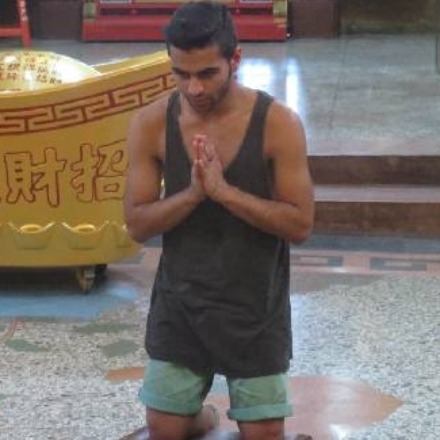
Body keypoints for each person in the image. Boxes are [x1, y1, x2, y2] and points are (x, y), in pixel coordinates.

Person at [123, 1, 314, 439]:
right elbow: (137, 224)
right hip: (181, 303)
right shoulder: (151, 124)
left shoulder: (278, 124)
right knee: (163, 429)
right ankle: (204, 417)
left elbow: (300, 224)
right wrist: (193, 194)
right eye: (181, 74)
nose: (194, 88)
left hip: (255, 306)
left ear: (235, 59)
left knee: (263, 434)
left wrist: (224, 192)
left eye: (207, 73)